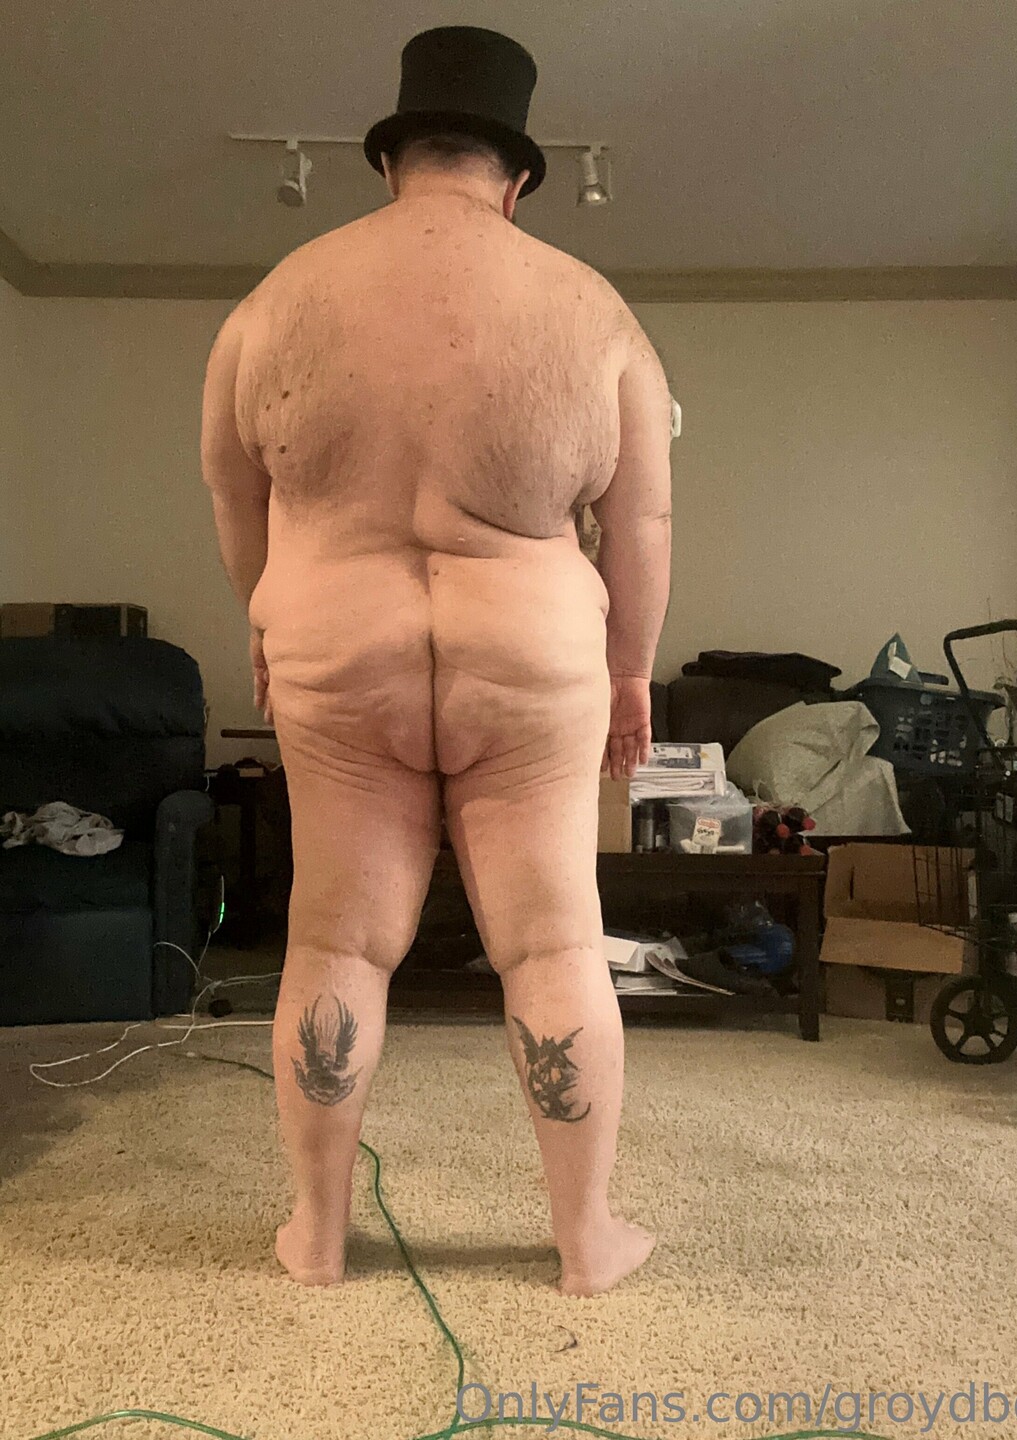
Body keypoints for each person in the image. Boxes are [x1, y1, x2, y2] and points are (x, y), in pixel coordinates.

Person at [201, 26, 672, 1295]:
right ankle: (586, 1242)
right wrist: (632, 670)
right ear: (516, 181)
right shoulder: (592, 308)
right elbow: (641, 521)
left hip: (334, 644)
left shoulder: (274, 303)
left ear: (390, 164)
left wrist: (268, 617)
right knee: (554, 944)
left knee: (335, 945)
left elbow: (235, 494)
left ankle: (317, 1235)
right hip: (531, 651)